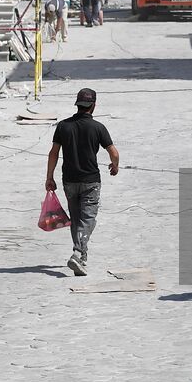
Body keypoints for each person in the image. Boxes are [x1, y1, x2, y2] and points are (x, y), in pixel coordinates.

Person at [45, 88, 119, 276]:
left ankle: (81, 258)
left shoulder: (63, 126)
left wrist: (49, 177)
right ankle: (77, 253)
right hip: (91, 181)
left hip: (69, 180)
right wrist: (114, 166)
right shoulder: (98, 128)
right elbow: (114, 153)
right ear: (93, 106)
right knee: (88, 219)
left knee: (77, 219)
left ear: (77, 105)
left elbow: (53, 153)